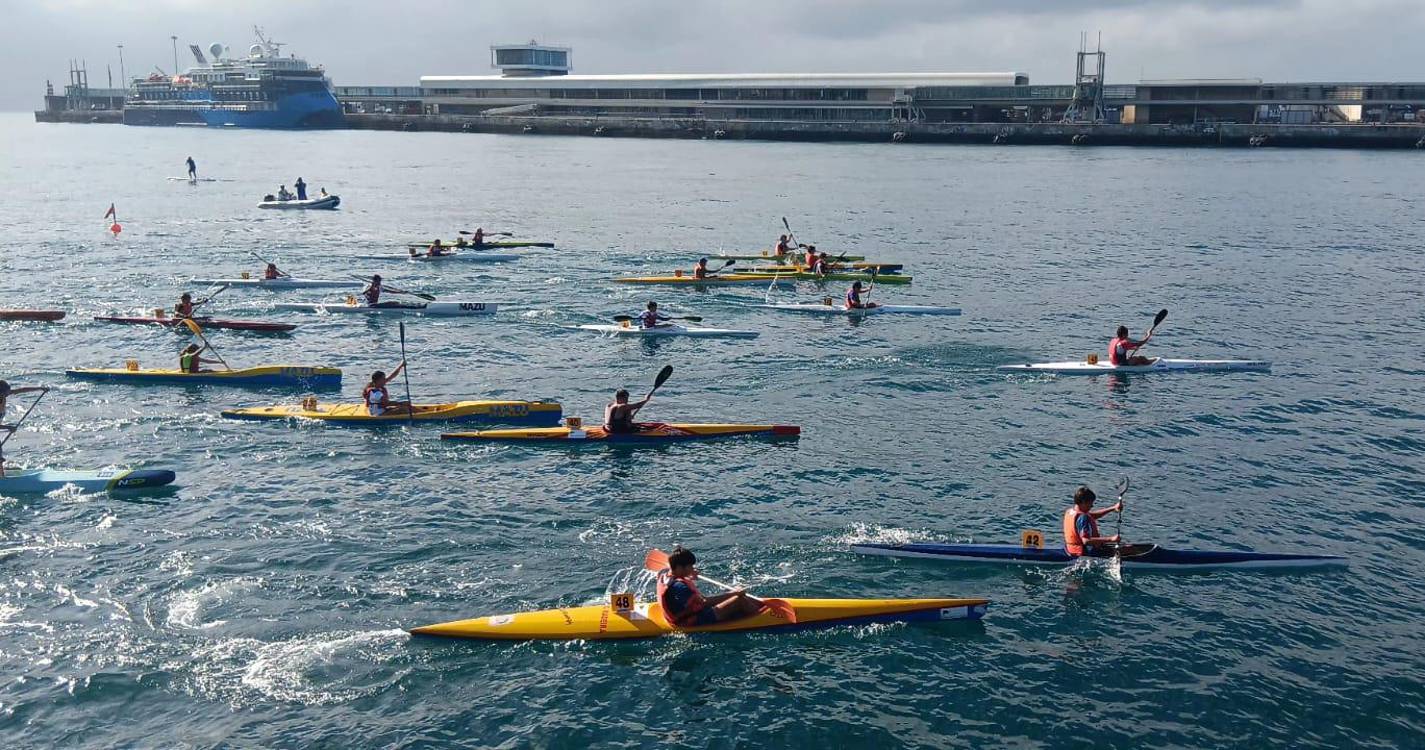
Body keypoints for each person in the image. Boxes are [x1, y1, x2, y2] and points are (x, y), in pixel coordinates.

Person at [657, 546, 763, 627]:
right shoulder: (679, 587)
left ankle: (761, 607)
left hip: (684, 612)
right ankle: (763, 618)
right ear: (680, 567)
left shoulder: (664, 573)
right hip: (690, 620)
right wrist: (735, 593)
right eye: (690, 566)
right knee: (739, 600)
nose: (692, 569)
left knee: (741, 597)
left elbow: (676, 576)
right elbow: (704, 602)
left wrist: (688, 574)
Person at [0, 380, 49, 477]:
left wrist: (39, 388)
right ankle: (2, 480)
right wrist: (8, 427)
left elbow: (21, 390)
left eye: (7, 393)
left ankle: (2, 477)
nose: (6, 395)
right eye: (5, 393)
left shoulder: (3, 396)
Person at [1062, 486, 1123, 557]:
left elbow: (1092, 516)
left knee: (1124, 547)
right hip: (1083, 552)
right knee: (1129, 549)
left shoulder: (1070, 511)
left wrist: (1113, 508)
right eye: (1090, 503)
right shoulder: (1082, 517)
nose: (1092, 506)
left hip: (1071, 549)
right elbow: (1086, 541)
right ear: (1083, 502)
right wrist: (1111, 539)